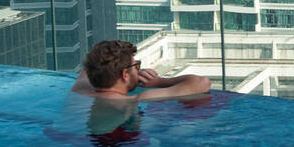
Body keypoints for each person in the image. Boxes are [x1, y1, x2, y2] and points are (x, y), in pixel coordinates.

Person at [71, 40, 211, 101]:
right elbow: (201, 83)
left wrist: (131, 75)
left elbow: (94, 62)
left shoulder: (79, 89)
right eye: (135, 66)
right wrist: (158, 81)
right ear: (124, 74)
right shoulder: (132, 101)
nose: (138, 70)